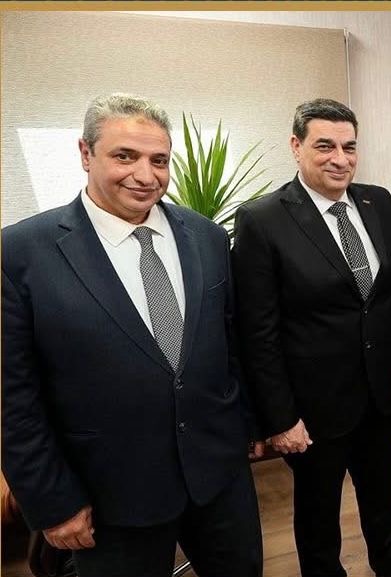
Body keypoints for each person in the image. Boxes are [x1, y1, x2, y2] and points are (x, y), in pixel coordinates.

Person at [1, 93, 263, 577]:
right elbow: (13, 397)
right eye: (125, 156)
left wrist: (245, 427)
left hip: (219, 480)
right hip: (109, 497)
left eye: (159, 160)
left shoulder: (207, 237)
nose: (145, 176)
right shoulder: (19, 253)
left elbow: (230, 343)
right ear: (86, 153)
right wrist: (53, 500)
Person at [231, 99, 391, 577]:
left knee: (382, 499)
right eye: (325, 146)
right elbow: (258, 333)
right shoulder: (262, 219)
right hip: (314, 409)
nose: (340, 159)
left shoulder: (377, 202)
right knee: (318, 517)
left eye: (349, 147)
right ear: (296, 146)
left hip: (378, 395)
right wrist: (280, 418)